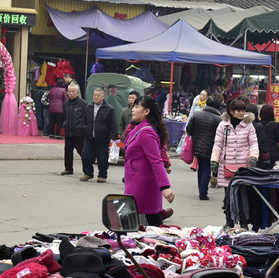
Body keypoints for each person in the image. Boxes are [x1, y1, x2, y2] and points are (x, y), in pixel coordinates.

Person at [123, 96, 175, 226]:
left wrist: (165, 187)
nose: (133, 110)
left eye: (136, 107)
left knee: (145, 228)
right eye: (133, 107)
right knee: (144, 226)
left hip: (143, 186)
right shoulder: (138, 127)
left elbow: (156, 161)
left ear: (146, 111)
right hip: (135, 182)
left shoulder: (146, 132)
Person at [210, 98, 260, 226]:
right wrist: (214, 161)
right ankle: (229, 221)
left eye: (243, 110)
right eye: (238, 110)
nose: (241, 113)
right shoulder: (223, 125)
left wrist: (253, 157)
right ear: (231, 111)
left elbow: (254, 143)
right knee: (228, 196)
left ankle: (243, 223)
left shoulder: (249, 125)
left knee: (243, 195)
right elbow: (217, 145)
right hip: (226, 166)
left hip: (243, 166)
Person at [186, 93, 225, 200]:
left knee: (201, 168)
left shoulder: (197, 114)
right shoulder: (219, 120)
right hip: (211, 147)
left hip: (197, 145)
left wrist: (196, 135)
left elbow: (189, 129)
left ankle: (201, 190)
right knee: (206, 168)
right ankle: (203, 193)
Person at [80, 87, 115, 183]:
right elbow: (84, 120)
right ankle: (88, 173)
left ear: (103, 96)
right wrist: (85, 128)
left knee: (102, 157)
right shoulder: (88, 107)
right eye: (94, 95)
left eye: (98, 95)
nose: (95, 97)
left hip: (102, 138)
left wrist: (114, 136)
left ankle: (102, 175)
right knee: (85, 155)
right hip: (89, 137)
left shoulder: (109, 109)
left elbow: (113, 123)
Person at [61, 83, 88, 176]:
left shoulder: (83, 104)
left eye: (73, 92)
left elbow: (87, 118)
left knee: (82, 151)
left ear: (77, 92)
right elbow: (64, 116)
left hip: (79, 132)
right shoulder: (65, 104)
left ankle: (87, 170)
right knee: (68, 151)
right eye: (70, 92)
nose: (71, 93)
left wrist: (84, 128)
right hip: (68, 132)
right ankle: (68, 169)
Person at [256, 104, 279, 169]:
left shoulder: (257, 124)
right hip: (272, 152)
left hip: (260, 151)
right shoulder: (274, 124)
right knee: (269, 170)